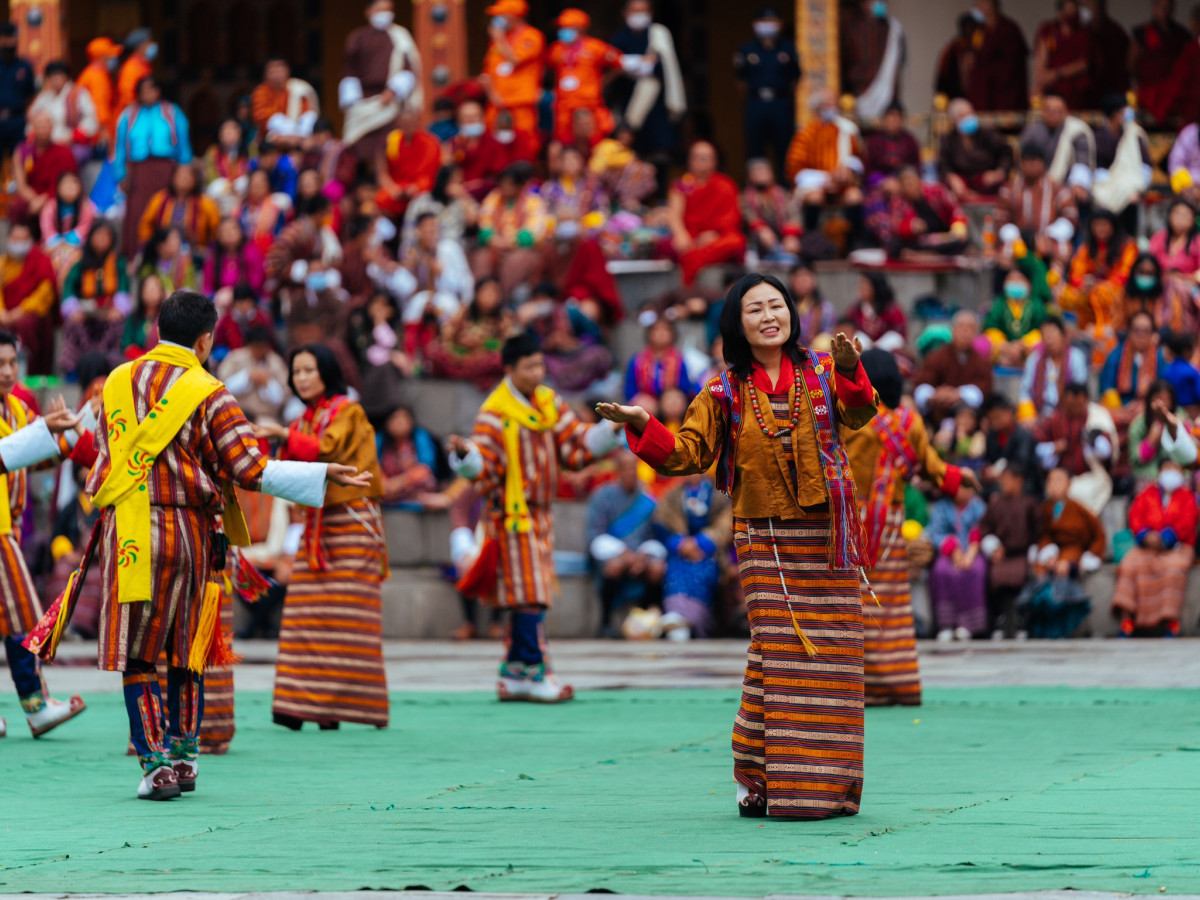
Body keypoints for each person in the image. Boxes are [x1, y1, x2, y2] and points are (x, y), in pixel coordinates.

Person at [63, 291, 370, 800]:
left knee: (140, 657)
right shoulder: (211, 390)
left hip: (131, 531)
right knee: (187, 649)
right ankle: (185, 759)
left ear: (156, 328)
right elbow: (248, 468)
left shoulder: (117, 381)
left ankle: (155, 766)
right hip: (188, 532)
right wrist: (319, 474)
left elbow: (102, 458)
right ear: (206, 340)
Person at [597, 272, 878, 819]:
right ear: (737, 324)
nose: (770, 316)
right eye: (755, 309)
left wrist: (850, 370)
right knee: (780, 653)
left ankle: (813, 785)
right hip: (765, 539)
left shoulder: (822, 372)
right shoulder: (723, 391)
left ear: (792, 314)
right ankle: (776, 785)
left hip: (827, 537)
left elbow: (860, 415)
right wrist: (643, 424)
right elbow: (686, 456)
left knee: (833, 660)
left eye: (777, 305)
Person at [449, 333, 621, 703]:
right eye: (530, 366)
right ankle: (535, 672)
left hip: (540, 515)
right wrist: (467, 456)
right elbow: (487, 469)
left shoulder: (548, 401)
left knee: (527, 594)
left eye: (540, 364)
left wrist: (609, 431)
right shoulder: (494, 413)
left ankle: (514, 674)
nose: (538, 372)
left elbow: (575, 445)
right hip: (510, 516)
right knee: (530, 594)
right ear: (510, 369)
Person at [248, 344, 387, 731]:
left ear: (326, 371)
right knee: (304, 613)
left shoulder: (348, 411)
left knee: (347, 618)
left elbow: (330, 451)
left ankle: (338, 708)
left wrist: (281, 433)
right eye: (297, 372)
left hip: (354, 523)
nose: (302, 378)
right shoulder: (305, 419)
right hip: (317, 527)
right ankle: (302, 705)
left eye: (309, 370)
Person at [846, 348, 970, 707]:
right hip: (890, 521)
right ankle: (896, 684)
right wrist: (961, 477)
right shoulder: (909, 421)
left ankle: (858, 687)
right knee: (889, 604)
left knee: (853, 602)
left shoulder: (851, 416)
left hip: (852, 520)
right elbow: (932, 468)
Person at [0, 333, 93, 740]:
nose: (6, 371)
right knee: (22, 612)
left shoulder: (18, 408)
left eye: (11, 363)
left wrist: (73, 431)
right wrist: (44, 432)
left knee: (13, 617)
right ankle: (36, 707)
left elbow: (34, 460)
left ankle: (36, 707)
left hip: (12, 527)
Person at [1113, 459, 1198, 636]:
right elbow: (1135, 516)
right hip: (1147, 546)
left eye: (1175, 468)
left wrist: (1166, 538)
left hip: (1178, 546)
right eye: (1167, 468)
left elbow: (1188, 522)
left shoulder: (1187, 496)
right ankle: (1127, 622)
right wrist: (1146, 535)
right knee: (1129, 565)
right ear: (1159, 473)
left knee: (1174, 569)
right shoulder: (1146, 494)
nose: (1171, 473)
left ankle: (1170, 624)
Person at [587, 449, 666, 636]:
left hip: (642, 555)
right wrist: (624, 554)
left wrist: (643, 555)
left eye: (634, 469)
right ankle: (605, 623)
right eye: (626, 469)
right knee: (613, 567)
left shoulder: (647, 499)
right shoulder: (602, 497)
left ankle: (650, 622)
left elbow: (656, 535)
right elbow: (594, 534)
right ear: (618, 471)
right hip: (613, 555)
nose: (631, 473)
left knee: (657, 569)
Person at [111, 77, 193, 257]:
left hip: (166, 170)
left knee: (165, 211)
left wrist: (185, 169)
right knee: (137, 215)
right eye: (144, 90)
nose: (148, 94)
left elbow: (183, 143)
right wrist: (121, 174)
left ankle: (170, 256)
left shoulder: (172, 112)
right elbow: (119, 147)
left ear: (158, 91)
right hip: (138, 171)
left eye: (152, 89)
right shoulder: (129, 114)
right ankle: (137, 257)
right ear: (138, 93)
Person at [1022, 466, 1104, 638]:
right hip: (1049, 553)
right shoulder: (1044, 509)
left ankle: (1063, 625)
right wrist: (1046, 551)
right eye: (1050, 481)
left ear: (1069, 485)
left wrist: (1090, 556)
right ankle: (1040, 626)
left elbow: (1099, 535)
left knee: (1063, 569)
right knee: (1039, 572)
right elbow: (1041, 534)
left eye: (1059, 481)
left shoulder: (1080, 509)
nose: (1054, 485)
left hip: (1072, 553)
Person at [652, 473, 731, 639]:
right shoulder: (673, 494)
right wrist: (680, 543)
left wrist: (701, 543)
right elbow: (661, 522)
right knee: (675, 571)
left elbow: (727, 521)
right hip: (680, 552)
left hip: (708, 553)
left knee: (702, 573)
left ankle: (692, 622)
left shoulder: (718, 493)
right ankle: (676, 617)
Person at [340, 0, 421, 160]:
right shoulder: (357, 37)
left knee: (387, 147)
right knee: (357, 146)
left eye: (388, 9)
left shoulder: (400, 37)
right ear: (369, 12)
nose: (385, 14)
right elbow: (349, 70)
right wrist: (353, 100)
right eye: (380, 9)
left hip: (389, 102)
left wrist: (393, 90)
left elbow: (408, 67)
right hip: (363, 102)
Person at [607, 0, 686, 161]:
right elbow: (613, 67)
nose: (638, 15)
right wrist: (640, 63)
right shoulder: (619, 38)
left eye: (643, 11)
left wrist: (631, 64)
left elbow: (664, 68)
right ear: (625, 13)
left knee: (659, 158)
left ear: (651, 13)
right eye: (634, 11)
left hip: (657, 111)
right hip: (628, 109)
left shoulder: (659, 35)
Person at [786, 90, 865, 240]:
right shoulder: (806, 133)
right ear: (817, 107)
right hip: (815, 185)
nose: (832, 107)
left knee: (855, 196)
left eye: (834, 104)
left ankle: (853, 243)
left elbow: (858, 158)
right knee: (816, 197)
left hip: (842, 184)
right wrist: (826, 179)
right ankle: (812, 240)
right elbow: (795, 169)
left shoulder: (846, 129)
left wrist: (847, 169)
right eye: (827, 104)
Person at [734, 7, 801, 180]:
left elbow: (796, 79)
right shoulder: (747, 49)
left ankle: (784, 187)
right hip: (756, 102)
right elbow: (741, 81)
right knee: (755, 147)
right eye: (763, 22)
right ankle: (755, 187)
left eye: (772, 22)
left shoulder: (788, 48)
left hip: (781, 102)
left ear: (780, 24)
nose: (768, 26)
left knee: (784, 146)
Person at [1032, 382, 1119, 514]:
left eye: (1078, 405)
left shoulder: (1097, 417)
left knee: (1082, 494)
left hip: (1092, 475)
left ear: (1086, 400)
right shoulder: (1055, 419)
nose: (1074, 409)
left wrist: (1094, 442)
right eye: (1070, 406)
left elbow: (1108, 452)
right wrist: (1053, 448)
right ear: (1064, 402)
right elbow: (1035, 448)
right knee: (1056, 491)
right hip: (1061, 474)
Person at [666, 141, 745, 286]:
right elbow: (674, 215)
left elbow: (732, 218)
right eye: (698, 158)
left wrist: (715, 233)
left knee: (735, 241)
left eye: (706, 158)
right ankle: (689, 287)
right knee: (675, 246)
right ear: (690, 161)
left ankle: (690, 280)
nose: (701, 162)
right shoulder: (682, 185)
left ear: (715, 161)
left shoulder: (726, 185)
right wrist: (681, 234)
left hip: (718, 237)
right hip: (691, 236)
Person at [978, 462, 1041, 638]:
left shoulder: (1030, 504)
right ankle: (1000, 619)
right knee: (995, 575)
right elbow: (984, 529)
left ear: (1019, 480)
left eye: (1007, 479)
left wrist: (1035, 551)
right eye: (1002, 479)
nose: (1003, 483)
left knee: (1021, 575)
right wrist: (993, 545)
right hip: (1001, 555)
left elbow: (1039, 530)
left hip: (1023, 554)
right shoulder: (995, 504)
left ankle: (1021, 621)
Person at [60, 221, 129, 374]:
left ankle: (107, 365)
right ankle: (74, 369)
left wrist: (118, 310)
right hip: (84, 315)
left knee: (118, 323)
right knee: (72, 324)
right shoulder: (80, 262)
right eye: (99, 235)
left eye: (107, 235)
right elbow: (69, 289)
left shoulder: (118, 262)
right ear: (91, 237)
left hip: (108, 315)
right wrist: (74, 310)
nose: (103, 239)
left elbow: (124, 289)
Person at [547, 9, 622, 147]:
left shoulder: (595, 47)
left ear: (580, 28)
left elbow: (618, 63)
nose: (562, 31)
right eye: (562, 27)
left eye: (566, 27)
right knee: (563, 142)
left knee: (593, 140)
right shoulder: (556, 49)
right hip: (564, 104)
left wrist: (604, 81)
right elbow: (551, 70)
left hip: (588, 102)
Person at [926, 478, 988, 641]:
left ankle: (969, 625)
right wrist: (953, 549)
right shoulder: (941, 507)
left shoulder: (978, 506)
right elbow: (935, 532)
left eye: (967, 488)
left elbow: (983, 528)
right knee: (941, 571)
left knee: (976, 570)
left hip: (973, 552)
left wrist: (971, 553)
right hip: (948, 553)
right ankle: (946, 624)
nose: (964, 491)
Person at [424, 276, 514, 388]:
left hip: (484, 360)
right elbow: (446, 336)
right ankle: (470, 376)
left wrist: (483, 344)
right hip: (459, 357)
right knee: (433, 350)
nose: (489, 296)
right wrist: (459, 345)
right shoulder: (463, 312)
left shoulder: (505, 318)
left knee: (501, 360)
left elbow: (509, 345)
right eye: (485, 291)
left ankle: (469, 376)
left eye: (493, 292)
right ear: (476, 294)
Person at [474, 162, 548, 296]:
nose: (505, 188)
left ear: (519, 186)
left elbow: (535, 231)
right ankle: (480, 299)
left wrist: (510, 243)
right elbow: (484, 222)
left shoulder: (533, 201)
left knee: (515, 261)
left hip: (522, 249)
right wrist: (493, 240)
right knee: (482, 258)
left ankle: (502, 299)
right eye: (503, 184)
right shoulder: (494, 198)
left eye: (510, 184)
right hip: (495, 246)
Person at [867, 165, 969, 259]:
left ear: (918, 179)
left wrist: (958, 225)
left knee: (962, 241)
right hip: (919, 241)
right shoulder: (898, 201)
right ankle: (929, 256)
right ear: (900, 185)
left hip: (944, 237)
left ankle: (926, 256)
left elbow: (956, 209)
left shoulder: (937, 191)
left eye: (911, 180)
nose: (909, 185)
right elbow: (896, 226)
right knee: (894, 246)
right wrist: (912, 227)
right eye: (905, 183)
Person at [480, 0, 544, 143]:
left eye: (500, 15)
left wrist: (499, 39)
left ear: (514, 15)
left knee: (525, 141)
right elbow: (488, 71)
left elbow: (515, 60)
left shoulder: (532, 36)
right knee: (492, 142)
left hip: (520, 103)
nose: (496, 19)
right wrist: (491, 93)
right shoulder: (497, 41)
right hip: (496, 104)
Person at [913, 310, 993, 423]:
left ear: (976, 333)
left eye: (970, 328)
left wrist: (958, 394)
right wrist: (936, 394)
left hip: (966, 412)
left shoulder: (981, 362)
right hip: (935, 407)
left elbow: (984, 389)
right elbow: (922, 384)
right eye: (961, 327)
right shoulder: (937, 356)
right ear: (953, 330)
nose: (965, 332)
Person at [0, 223, 57, 376]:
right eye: (15, 239)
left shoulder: (41, 261)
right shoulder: (3, 263)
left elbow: (45, 293)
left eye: (23, 239)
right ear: (8, 239)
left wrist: (22, 309)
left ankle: (28, 374)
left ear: (31, 241)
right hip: (6, 313)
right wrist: (2, 311)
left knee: (26, 324)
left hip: (30, 313)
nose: (19, 243)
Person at [841, 0, 907, 120]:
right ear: (863, 4)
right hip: (859, 92)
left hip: (886, 94)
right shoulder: (852, 28)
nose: (878, 4)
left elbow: (898, 63)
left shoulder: (892, 29)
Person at [10, 110, 77, 225]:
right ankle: (23, 239)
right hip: (31, 196)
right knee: (17, 206)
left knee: (54, 208)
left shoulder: (64, 152)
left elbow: (68, 182)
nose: (43, 129)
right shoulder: (22, 151)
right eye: (39, 125)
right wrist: (34, 199)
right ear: (32, 128)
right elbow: (21, 184)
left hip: (55, 195)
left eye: (46, 125)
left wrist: (43, 200)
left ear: (52, 127)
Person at [138, 163, 221, 256]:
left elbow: (216, 228)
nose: (184, 179)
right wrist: (152, 245)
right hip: (163, 252)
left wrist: (207, 248)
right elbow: (146, 224)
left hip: (195, 252)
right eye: (180, 175)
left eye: (188, 176)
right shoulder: (159, 199)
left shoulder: (205, 202)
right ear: (173, 178)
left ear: (195, 179)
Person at [216, 325, 292, 427]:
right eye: (256, 347)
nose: (259, 351)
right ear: (249, 344)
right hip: (236, 413)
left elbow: (283, 398)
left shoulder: (276, 362)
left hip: (266, 418)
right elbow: (222, 387)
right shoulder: (234, 358)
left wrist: (268, 383)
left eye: (262, 347)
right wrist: (246, 377)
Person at [1127, 381, 1197, 489]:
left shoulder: (1181, 417)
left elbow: (1191, 450)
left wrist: (1175, 427)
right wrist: (1151, 441)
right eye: (1158, 398)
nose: (1162, 404)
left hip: (1178, 472)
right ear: (1149, 400)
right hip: (1149, 475)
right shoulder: (1139, 425)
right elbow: (1136, 458)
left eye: (1166, 399)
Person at [997, 144, 1078, 237]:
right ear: (1021, 164)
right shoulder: (1009, 190)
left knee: (1063, 248)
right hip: (1017, 242)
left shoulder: (1057, 188)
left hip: (1050, 240)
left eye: (1035, 161)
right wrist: (1015, 235)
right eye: (1027, 161)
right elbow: (1001, 219)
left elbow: (1071, 216)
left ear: (1043, 164)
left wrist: (1051, 233)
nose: (1031, 165)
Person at [374, 108, 441, 219]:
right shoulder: (391, 141)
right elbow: (382, 173)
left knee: (424, 196)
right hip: (396, 188)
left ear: (417, 121)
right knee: (381, 199)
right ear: (398, 123)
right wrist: (392, 189)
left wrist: (415, 187)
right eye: (404, 124)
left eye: (411, 123)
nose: (408, 127)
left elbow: (430, 175)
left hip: (419, 188)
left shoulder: (429, 142)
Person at [939, 98, 1014, 198]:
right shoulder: (948, 140)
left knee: (1003, 187)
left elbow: (1006, 152)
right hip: (962, 185)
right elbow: (944, 164)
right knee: (947, 190)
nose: (968, 118)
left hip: (987, 181)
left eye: (970, 114)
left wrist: (999, 172)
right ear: (954, 120)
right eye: (963, 116)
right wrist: (951, 177)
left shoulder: (988, 134)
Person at [1018, 316, 1088, 421]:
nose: (1049, 339)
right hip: (1039, 415)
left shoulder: (1076, 357)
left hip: (1068, 415)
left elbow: (1079, 390)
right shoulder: (1034, 359)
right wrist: (1028, 414)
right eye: (1045, 335)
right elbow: (1025, 391)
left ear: (1063, 335)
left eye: (1052, 334)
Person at [1019, 92, 1094, 189]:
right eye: (1049, 110)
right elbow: (1025, 161)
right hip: (1035, 182)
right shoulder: (1032, 132)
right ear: (1042, 111)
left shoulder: (1076, 130)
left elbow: (1082, 162)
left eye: (1057, 111)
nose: (1052, 114)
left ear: (1065, 111)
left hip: (1068, 185)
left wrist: (1078, 183)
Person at [29, 60, 99, 163]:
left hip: (72, 144)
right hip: (46, 144)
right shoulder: (43, 97)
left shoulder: (78, 94)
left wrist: (71, 137)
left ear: (65, 76)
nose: (55, 79)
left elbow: (92, 120)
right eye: (51, 76)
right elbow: (32, 119)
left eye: (58, 75)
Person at [966, 0, 1030, 112]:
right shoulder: (980, 30)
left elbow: (1013, 61)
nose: (978, 8)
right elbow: (976, 51)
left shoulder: (1009, 28)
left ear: (992, 5)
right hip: (983, 89)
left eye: (981, 3)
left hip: (1005, 90)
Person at [982, 260, 1050, 366]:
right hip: (1003, 349)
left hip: (1027, 348)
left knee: (1041, 346)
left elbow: (1042, 328)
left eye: (1019, 278)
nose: (1015, 282)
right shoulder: (998, 303)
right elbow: (991, 326)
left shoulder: (1036, 304)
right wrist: (1005, 346)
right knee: (984, 344)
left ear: (1028, 283)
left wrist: (1022, 344)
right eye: (1011, 279)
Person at [1132, 0, 1191, 118]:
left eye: (1168, 7)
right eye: (1161, 7)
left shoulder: (1182, 34)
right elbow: (1132, 63)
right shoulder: (1142, 32)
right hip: (1148, 91)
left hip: (1172, 93)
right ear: (1153, 7)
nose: (1165, 10)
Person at [1148, 200, 1200, 334]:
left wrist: (1181, 278)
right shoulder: (1159, 238)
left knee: (1176, 287)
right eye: (1177, 214)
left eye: (1185, 215)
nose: (1180, 219)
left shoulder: (1198, 241)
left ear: (1193, 219)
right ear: (1170, 216)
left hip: (1188, 288)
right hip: (1158, 285)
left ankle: (1182, 333)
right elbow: (1148, 264)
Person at [40, 170, 96, 289]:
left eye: (74, 183)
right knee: (53, 259)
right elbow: (47, 229)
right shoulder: (50, 206)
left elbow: (83, 229)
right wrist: (57, 244)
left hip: (77, 248)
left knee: (69, 259)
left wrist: (68, 243)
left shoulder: (87, 207)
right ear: (58, 187)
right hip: (54, 247)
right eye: (66, 184)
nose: (70, 187)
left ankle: (65, 292)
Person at [1099, 310, 1165, 410]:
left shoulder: (1159, 356)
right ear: (1129, 331)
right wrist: (1122, 408)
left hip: (1148, 408)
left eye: (1145, 331)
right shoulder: (1116, 354)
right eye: (1137, 330)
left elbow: (1163, 389)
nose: (1141, 335)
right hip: (1120, 407)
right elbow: (1108, 387)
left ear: (1152, 334)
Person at [377, 404, 441, 508]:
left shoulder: (420, 437)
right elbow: (374, 466)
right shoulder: (380, 440)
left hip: (410, 484)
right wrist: (386, 484)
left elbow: (426, 467)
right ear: (387, 423)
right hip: (387, 487)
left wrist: (400, 481)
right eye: (395, 418)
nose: (399, 422)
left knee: (427, 481)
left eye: (403, 418)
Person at [1033, 1, 1092, 109]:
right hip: (1053, 91)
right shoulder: (1049, 30)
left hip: (1077, 92)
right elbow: (1041, 59)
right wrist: (1040, 82)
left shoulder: (1084, 33)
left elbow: (1084, 63)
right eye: (1068, 9)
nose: (1071, 13)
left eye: (1074, 10)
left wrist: (1056, 74)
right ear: (1060, 12)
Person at [742, 158, 801, 265]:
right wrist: (761, 228)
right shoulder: (745, 197)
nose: (760, 174)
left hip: (782, 234)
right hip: (761, 237)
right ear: (749, 176)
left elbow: (794, 214)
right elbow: (748, 215)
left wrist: (791, 235)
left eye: (764, 170)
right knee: (753, 240)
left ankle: (787, 256)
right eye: (756, 171)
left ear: (772, 174)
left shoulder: (783, 194)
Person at [625, 316, 697, 401]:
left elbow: (685, 387)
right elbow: (630, 388)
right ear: (649, 334)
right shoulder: (638, 359)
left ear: (672, 334)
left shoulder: (678, 358)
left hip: (670, 399)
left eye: (666, 329)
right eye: (656, 329)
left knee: (673, 402)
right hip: (646, 399)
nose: (661, 333)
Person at [250, 57, 319, 145]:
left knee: (310, 116)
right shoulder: (261, 92)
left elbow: (307, 114)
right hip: (272, 138)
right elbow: (261, 118)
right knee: (276, 119)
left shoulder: (298, 88)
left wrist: (297, 136)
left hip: (301, 136)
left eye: (279, 70)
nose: (277, 75)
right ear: (265, 74)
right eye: (273, 71)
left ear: (287, 70)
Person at [981, 394, 1041, 495]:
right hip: (997, 484)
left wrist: (1000, 472)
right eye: (991, 419)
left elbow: (1022, 463)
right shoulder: (991, 436)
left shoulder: (1023, 436)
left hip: (1025, 485)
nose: (995, 422)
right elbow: (989, 459)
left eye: (998, 417)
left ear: (1008, 411)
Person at [446, 100, 506, 200]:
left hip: (487, 195)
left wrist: (470, 187)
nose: (471, 120)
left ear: (482, 118)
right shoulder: (454, 143)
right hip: (459, 196)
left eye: (474, 116)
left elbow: (498, 176)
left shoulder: (494, 142)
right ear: (459, 121)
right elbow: (448, 172)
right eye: (466, 118)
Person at [203, 218, 266, 302]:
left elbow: (256, 282)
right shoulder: (213, 256)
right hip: (221, 301)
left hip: (248, 299)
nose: (229, 233)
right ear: (219, 236)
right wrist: (214, 297)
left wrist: (234, 293)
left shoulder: (251, 251)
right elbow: (207, 286)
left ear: (240, 231)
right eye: (225, 230)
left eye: (233, 228)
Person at [0, 24, 36, 162]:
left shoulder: (24, 66)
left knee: (20, 157)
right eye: (4, 37)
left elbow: (30, 94)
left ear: (16, 39)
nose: (8, 41)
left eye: (11, 37)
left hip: (17, 119)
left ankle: (17, 184)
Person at [1083, 0, 1131, 102]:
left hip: (1113, 88)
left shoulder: (1116, 32)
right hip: (1087, 90)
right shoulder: (1081, 32)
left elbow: (1126, 64)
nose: (1094, 7)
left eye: (1097, 3)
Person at [77, 37, 121, 147]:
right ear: (102, 58)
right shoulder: (97, 76)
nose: (114, 59)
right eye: (111, 56)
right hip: (96, 133)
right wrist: (104, 130)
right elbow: (99, 104)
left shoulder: (92, 72)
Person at [865, 103, 921, 182]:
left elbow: (916, 167)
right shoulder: (874, 141)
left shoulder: (910, 141)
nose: (894, 120)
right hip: (880, 182)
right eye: (890, 116)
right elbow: (868, 169)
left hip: (904, 181)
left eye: (898, 116)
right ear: (884, 118)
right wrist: (882, 182)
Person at [847, 271, 905, 346]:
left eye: (864, 284)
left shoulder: (891, 310)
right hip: (863, 351)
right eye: (859, 284)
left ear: (875, 286)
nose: (860, 288)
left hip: (886, 351)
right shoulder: (855, 310)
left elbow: (899, 337)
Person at [935, 13, 978, 102]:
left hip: (977, 97)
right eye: (967, 28)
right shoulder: (953, 49)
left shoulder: (981, 49)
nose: (969, 32)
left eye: (972, 28)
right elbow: (942, 77)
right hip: (956, 97)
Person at [790, 263, 836, 346]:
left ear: (814, 280)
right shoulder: (786, 306)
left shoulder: (825, 308)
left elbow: (828, 334)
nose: (802, 280)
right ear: (791, 280)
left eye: (806, 276)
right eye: (798, 276)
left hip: (816, 352)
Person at [121, 272, 165, 357]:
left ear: (161, 292)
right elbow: (126, 345)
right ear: (141, 292)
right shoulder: (133, 318)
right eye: (148, 287)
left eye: (155, 287)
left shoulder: (165, 319)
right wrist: (143, 358)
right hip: (135, 362)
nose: (151, 291)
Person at [115, 28, 155, 114]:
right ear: (140, 46)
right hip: (134, 116)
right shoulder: (131, 68)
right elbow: (127, 98)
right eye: (149, 42)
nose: (152, 45)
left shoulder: (144, 64)